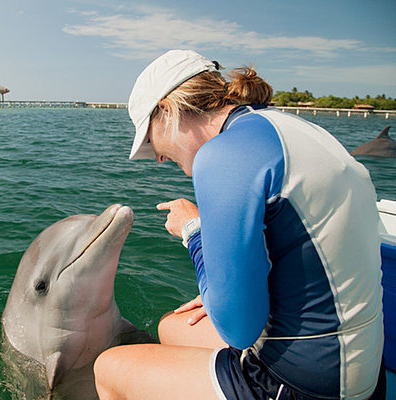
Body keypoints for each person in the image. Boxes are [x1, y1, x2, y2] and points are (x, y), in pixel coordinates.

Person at [94, 50, 385, 399]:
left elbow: (238, 330)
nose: (156, 155)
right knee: (172, 326)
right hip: (361, 363)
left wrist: (193, 232)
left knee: (110, 368)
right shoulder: (288, 127)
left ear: (168, 110)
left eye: (149, 138)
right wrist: (221, 290)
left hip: (306, 383)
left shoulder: (223, 155)